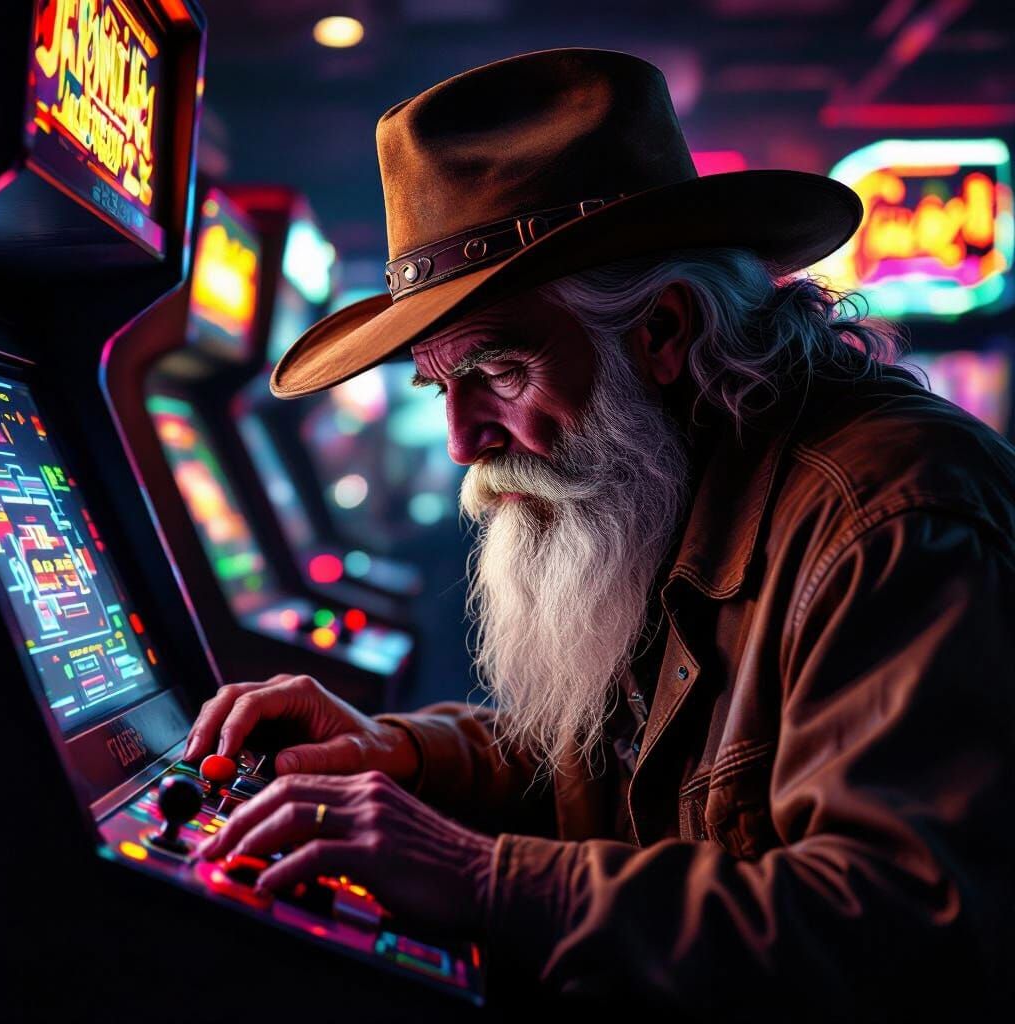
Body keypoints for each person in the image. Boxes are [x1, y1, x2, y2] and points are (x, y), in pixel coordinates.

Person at [187, 49, 1014, 1017]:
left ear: (661, 331)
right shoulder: (678, 468)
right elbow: (604, 766)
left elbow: (911, 937)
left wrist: (484, 877)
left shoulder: (890, 516)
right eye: (438, 387)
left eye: (496, 371)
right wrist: (396, 753)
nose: (462, 441)